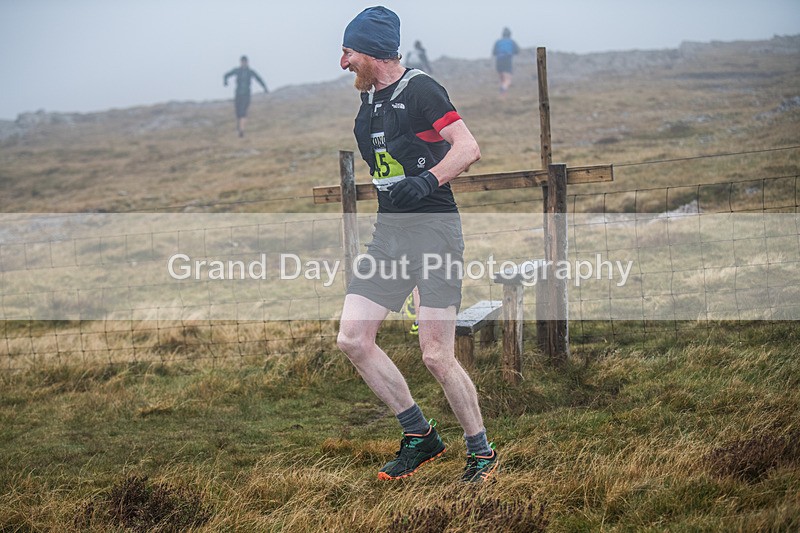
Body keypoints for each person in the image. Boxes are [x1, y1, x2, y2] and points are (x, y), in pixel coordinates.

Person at [337, 6, 498, 483]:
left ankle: (482, 453)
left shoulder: (421, 90)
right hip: (390, 237)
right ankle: (419, 434)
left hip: (434, 235)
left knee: (435, 354)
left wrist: (427, 181)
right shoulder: (368, 102)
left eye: (347, 52)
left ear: (370, 51)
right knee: (353, 338)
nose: (342, 62)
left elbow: (467, 147)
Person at [223, 55, 268, 137]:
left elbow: (259, 79)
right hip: (238, 94)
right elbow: (226, 75)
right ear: (240, 62)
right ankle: (239, 128)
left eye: (245, 62)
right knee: (238, 112)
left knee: (243, 112)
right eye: (242, 62)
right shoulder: (237, 71)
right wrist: (225, 82)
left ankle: (241, 130)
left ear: (247, 62)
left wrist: (265, 88)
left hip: (246, 94)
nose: (244, 63)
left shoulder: (250, 72)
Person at [492, 27, 520, 95]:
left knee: (502, 79)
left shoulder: (498, 42)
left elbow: (494, 52)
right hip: (507, 60)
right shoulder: (511, 42)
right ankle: (503, 89)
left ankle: (503, 95)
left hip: (498, 61)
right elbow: (517, 51)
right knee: (508, 80)